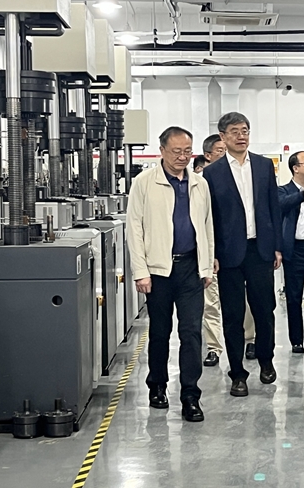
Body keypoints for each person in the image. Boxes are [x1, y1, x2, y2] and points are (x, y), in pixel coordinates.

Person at [127, 126, 214, 422]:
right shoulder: (144, 183)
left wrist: (206, 265)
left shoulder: (200, 184)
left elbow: (207, 227)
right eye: (176, 151)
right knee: (160, 332)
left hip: (191, 268)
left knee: (191, 332)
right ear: (162, 150)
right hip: (158, 270)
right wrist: (141, 271)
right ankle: (157, 385)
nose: (182, 157)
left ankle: (190, 395)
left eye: (187, 151)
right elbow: (134, 229)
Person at [203, 112, 282, 397]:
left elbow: (273, 207)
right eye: (235, 131)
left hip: (260, 250)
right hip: (228, 254)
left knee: (265, 310)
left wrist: (276, 246)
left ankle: (266, 360)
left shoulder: (263, 166)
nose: (241, 136)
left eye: (245, 130)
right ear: (223, 137)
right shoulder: (212, 173)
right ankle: (237, 373)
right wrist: (212, 253)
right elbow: (210, 217)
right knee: (232, 315)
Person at [199, 134, 256, 368]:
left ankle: (250, 339)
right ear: (208, 156)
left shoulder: (245, 175)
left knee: (245, 301)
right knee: (211, 302)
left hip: (240, 251)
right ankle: (214, 347)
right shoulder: (203, 182)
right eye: (220, 151)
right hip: (213, 253)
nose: (226, 154)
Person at [278, 151, 304, 353]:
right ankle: (296, 340)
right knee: (294, 298)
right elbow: (282, 205)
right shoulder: (283, 191)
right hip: (295, 251)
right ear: (295, 168)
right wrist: (303, 195)